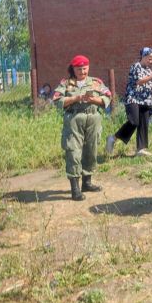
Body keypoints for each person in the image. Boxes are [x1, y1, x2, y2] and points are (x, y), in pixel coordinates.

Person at [52, 55, 112, 201]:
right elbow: (56, 100)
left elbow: (107, 96)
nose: (82, 72)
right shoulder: (66, 83)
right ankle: (75, 189)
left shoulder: (96, 82)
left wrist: (94, 100)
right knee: (73, 151)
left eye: (85, 68)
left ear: (88, 67)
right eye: (79, 69)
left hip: (93, 118)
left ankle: (87, 182)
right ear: (73, 69)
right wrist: (75, 98)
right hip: (74, 119)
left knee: (91, 149)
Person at [106, 47, 152, 157]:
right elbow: (139, 81)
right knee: (133, 121)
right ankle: (112, 138)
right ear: (144, 56)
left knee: (143, 124)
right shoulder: (135, 66)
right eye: (150, 58)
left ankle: (140, 149)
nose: (151, 61)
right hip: (133, 98)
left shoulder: (148, 70)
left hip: (145, 100)